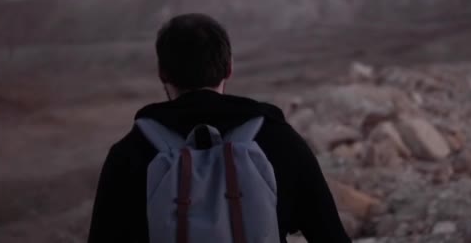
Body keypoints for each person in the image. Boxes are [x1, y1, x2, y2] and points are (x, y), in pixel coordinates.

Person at [88, 13, 350, 243]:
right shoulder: (279, 140)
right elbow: (330, 235)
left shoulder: (129, 155)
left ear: (162, 73)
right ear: (229, 68)